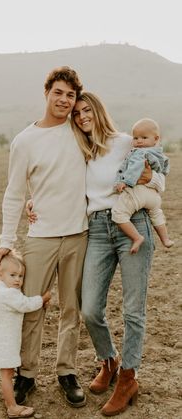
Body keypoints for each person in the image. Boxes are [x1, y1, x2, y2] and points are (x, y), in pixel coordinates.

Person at [0, 67, 89, 408]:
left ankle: (67, 372)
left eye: (71, 95)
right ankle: (27, 374)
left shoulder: (81, 131)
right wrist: (7, 239)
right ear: (47, 93)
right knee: (33, 309)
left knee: (71, 309)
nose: (64, 100)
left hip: (79, 234)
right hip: (40, 237)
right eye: (58, 93)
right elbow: (15, 193)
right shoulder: (25, 140)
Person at [71, 92, 165, 416]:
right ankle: (108, 360)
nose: (82, 116)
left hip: (132, 225)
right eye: (76, 113)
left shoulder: (127, 142)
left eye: (86, 110)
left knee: (132, 310)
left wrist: (150, 176)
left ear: (97, 111)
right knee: (90, 308)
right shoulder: (81, 150)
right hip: (97, 229)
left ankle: (128, 378)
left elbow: (160, 177)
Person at [0, 251, 51, 418]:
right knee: (7, 374)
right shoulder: (9, 294)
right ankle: (12, 407)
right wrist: (43, 298)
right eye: (13, 275)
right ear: (0, 274)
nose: (18, 280)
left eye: (21, 276)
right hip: (6, 342)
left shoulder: (2, 288)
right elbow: (25, 304)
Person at [111, 117, 174, 253]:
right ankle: (165, 239)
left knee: (119, 214)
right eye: (136, 138)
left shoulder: (139, 153)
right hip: (154, 196)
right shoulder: (160, 154)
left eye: (144, 137)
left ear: (156, 138)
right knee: (156, 213)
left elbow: (135, 168)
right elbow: (165, 169)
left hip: (138, 192)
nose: (139, 141)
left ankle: (137, 237)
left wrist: (125, 181)